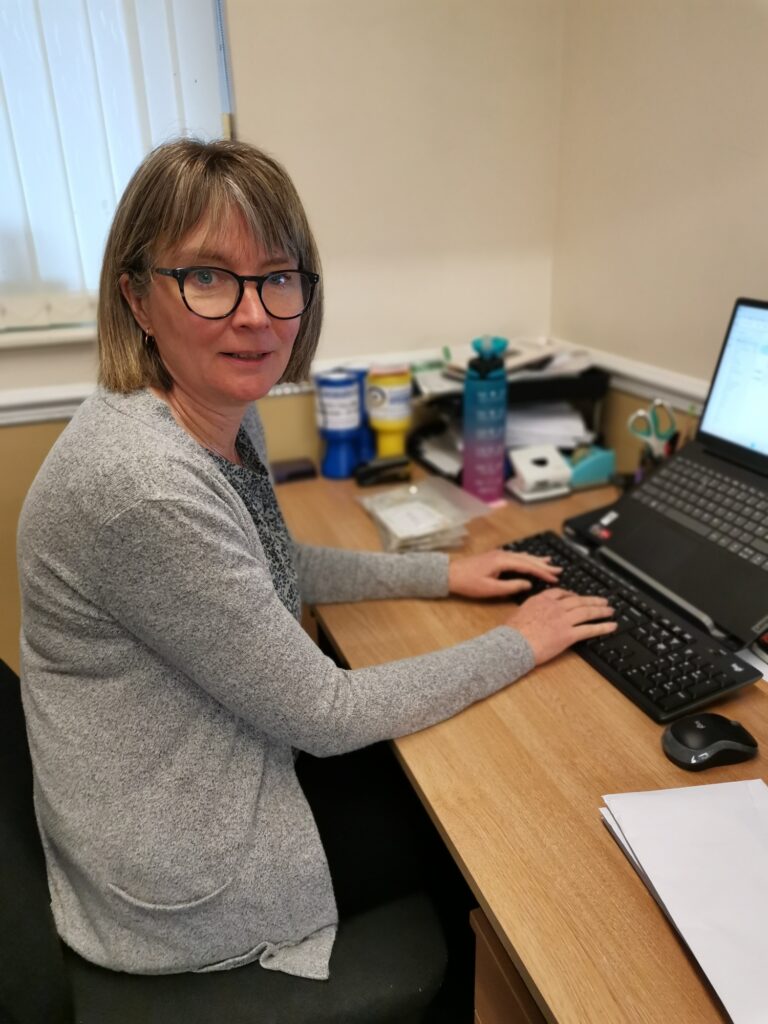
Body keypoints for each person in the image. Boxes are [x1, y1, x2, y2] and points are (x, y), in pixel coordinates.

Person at [17, 139, 616, 988]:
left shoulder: (208, 405)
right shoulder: (144, 486)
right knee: (486, 824)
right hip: (180, 875)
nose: (255, 314)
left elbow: (272, 560)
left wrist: (443, 574)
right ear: (138, 297)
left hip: (189, 781)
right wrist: (524, 641)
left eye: (278, 276)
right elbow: (327, 714)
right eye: (209, 277)